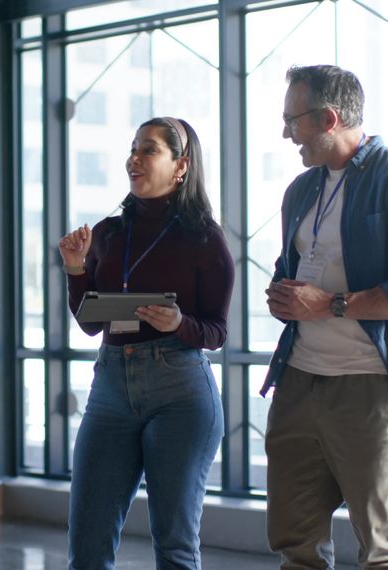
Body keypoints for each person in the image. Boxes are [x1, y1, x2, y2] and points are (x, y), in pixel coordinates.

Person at [261, 64, 388, 570]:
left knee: (381, 548)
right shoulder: (301, 190)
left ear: (328, 117)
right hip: (299, 380)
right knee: (294, 542)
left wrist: (330, 305)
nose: (286, 133)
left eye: (292, 120)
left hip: (371, 383)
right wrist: (284, 295)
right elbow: (293, 268)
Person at [59, 117, 234, 570]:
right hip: (111, 387)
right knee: (87, 547)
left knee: (175, 546)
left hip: (180, 390)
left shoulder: (205, 239)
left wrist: (178, 323)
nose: (133, 159)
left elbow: (216, 331)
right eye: (133, 149)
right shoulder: (110, 233)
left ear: (181, 166)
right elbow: (90, 323)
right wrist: (76, 269)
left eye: (149, 150)